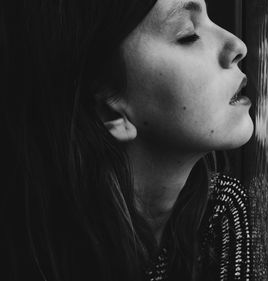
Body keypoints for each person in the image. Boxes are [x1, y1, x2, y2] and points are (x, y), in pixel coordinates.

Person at [0, 0, 254, 280]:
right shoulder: (30, 255)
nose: (237, 45)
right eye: (188, 34)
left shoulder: (220, 210)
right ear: (110, 110)